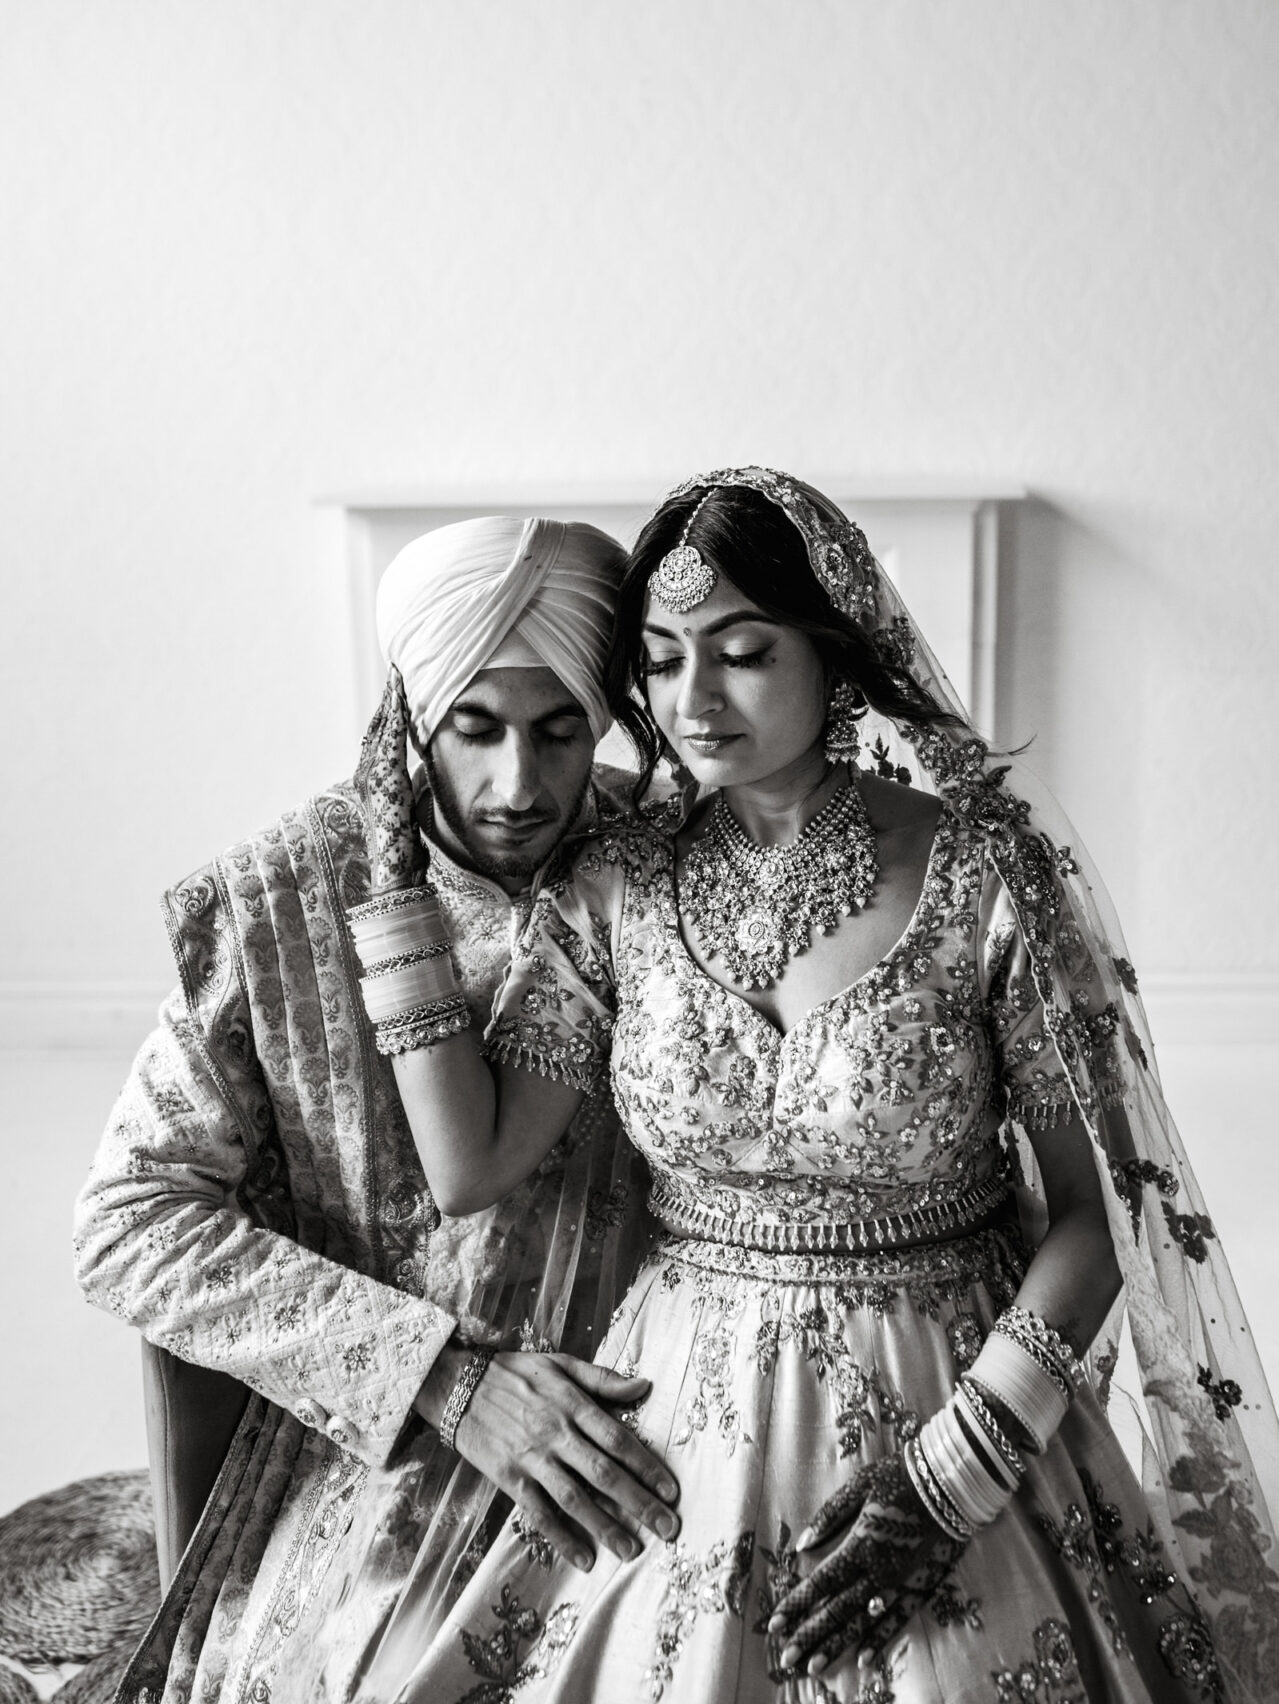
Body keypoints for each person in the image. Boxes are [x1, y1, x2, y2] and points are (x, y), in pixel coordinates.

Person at [337, 470, 1279, 1703]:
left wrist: (953, 1478)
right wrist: (391, 882)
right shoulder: (616, 883)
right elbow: (472, 1166)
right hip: (679, 1426)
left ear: (833, 654)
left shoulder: (986, 875)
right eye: (662, 661)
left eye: (738, 653)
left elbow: (1093, 1215)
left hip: (958, 1403)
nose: (692, 702)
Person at [72, 515, 681, 1704]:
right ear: (411, 710)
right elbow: (127, 1223)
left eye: (560, 731)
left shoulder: (674, 865)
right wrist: (444, 1381)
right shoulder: (276, 902)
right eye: (476, 727)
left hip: (664, 1429)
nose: (519, 784)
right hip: (393, 1468)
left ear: (608, 713)